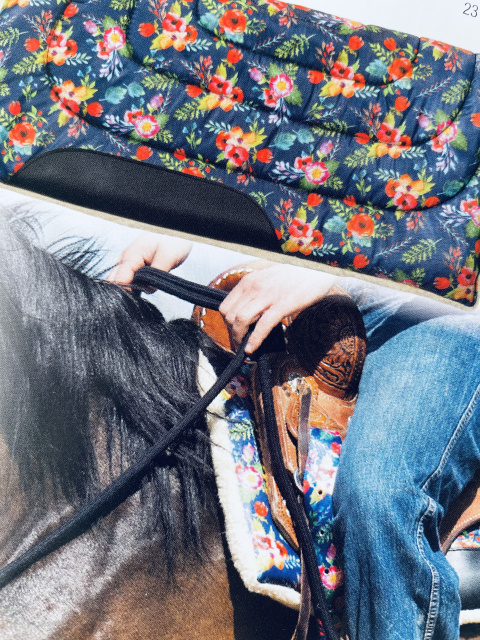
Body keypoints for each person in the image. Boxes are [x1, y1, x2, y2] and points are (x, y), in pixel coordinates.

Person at [109, 231, 480, 640]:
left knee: (379, 492)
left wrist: (326, 269)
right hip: (325, 289)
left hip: (441, 308)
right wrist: (178, 221)